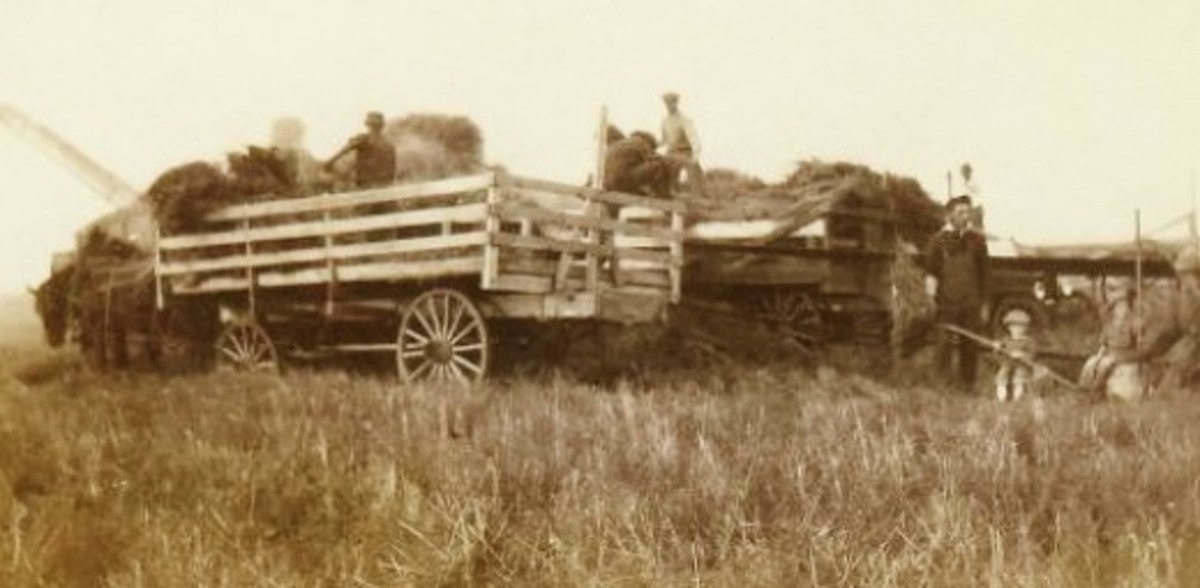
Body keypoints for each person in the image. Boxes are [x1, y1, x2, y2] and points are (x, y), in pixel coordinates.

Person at [922, 194, 990, 391]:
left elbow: (984, 274)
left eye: (967, 212)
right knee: (943, 346)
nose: (965, 216)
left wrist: (984, 304)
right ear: (949, 215)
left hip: (971, 303)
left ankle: (967, 385)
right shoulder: (937, 241)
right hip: (946, 303)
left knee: (970, 346)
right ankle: (942, 387)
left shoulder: (976, 241)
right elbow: (931, 273)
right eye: (960, 212)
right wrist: (931, 300)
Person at [1078, 275, 1148, 401]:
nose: (1108, 298)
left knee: (1109, 371)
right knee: (1090, 366)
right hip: (1109, 354)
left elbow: (1143, 349)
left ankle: (1099, 393)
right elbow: (1104, 343)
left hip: (1127, 358)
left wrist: (1118, 358)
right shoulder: (1109, 319)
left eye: (1112, 290)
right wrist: (1098, 358)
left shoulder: (1135, 318)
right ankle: (1086, 396)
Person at [325, 111, 397, 188]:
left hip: (365, 186)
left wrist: (328, 164)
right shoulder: (389, 144)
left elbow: (343, 151)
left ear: (367, 124)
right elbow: (392, 172)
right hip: (385, 187)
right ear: (382, 125)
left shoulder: (362, 139)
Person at [659, 92, 705, 196]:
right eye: (667, 103)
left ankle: (697, 196)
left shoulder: (684, 119)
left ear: (676, 103)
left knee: (692, 171)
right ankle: (666, 193)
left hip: (684, 152)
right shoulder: (664, 121)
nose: (669, 106)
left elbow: (694, 138)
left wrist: (695, 156)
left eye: (672, 103)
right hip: (671, 153)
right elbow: (664, 140)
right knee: (658, 168)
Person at [994, 309, 1034, 401]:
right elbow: (999, 353)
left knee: (1019, 378)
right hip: (1008, 363)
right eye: (1013, 326)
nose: (1016, 329)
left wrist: (1021, 354)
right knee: (1001, 375)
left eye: (1020, 327)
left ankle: (1017, 398)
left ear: (1025, 328)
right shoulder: (1006, 340)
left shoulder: (1028, 341)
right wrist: (997, 348)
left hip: (1022, 364)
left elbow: (1032, 354)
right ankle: (1001, 398)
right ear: (1009, 328)